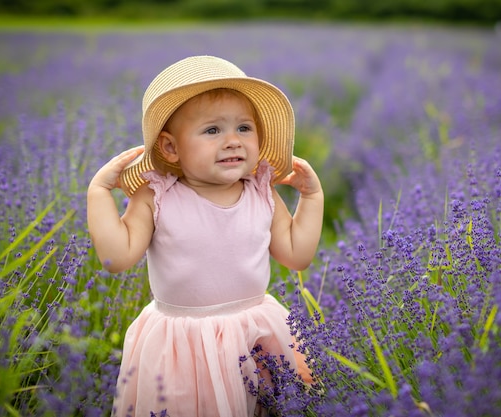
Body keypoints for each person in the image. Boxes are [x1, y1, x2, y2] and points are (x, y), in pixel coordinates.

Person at [87, 55, 324, 417]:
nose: (232, 141)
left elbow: (296, 254)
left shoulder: (261, 192)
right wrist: (99, 192)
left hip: (254, 334)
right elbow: (115, 259)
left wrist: (311, 197)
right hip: (184, 346)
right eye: (213, 131)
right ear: (170, 148)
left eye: (244, 128)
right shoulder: (156, 197)